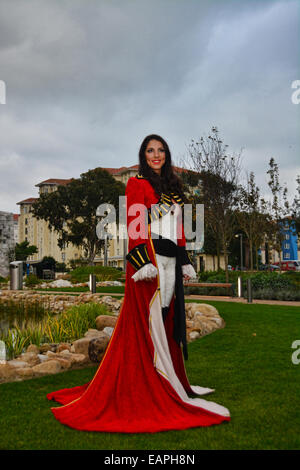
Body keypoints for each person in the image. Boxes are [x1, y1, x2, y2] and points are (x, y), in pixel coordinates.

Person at [46, 134, 230, 432]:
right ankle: (153, 382)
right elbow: (136, 224)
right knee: (150, 323)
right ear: (143, 156)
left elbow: (178, 228)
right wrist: (142, 261)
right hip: (150, 260)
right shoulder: (136, 184)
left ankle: (168, 377)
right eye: (150, 151)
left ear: (166, 154)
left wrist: (185, 260)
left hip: (171, 260)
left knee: (167, 320)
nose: (155, 155)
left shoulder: (174, 188)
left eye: (160, 150)